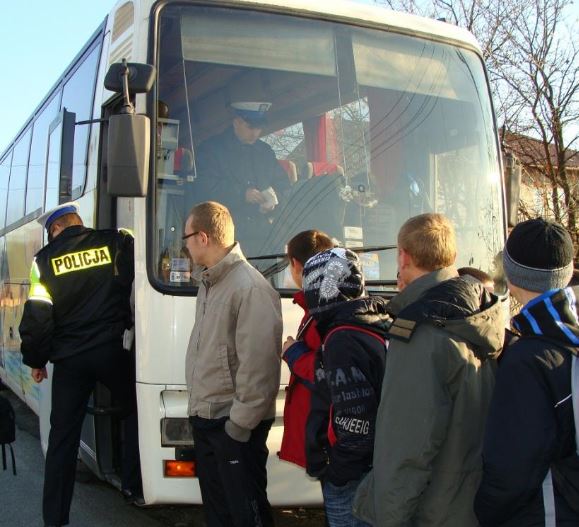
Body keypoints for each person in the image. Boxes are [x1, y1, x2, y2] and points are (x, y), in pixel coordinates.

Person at [353, 212, 504, 527]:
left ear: (403, 257)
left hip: (432, 509)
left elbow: (407, 445)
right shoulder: (477, 311)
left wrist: (387, 518)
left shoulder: (422, 331)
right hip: (468, 501)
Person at [18, 202, 142, 527]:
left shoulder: (43, 261)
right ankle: (133, 484)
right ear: (78, 221)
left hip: (70, 360)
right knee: (136, 409)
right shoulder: (116, 240)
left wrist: (36, 360)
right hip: (111, 351)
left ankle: (55, 519)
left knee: (62, 439)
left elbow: (38, 319)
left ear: (56, 229)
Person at [183, 201, 282, 527]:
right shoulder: (210, 281)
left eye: (186, 237)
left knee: (246, 515)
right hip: (209, 419)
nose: (184, 246)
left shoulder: (249, 287)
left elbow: (260, 368)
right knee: (219, 514)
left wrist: (237, 427)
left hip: (234, 426)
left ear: (203, 238)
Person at [475, 218, 579, 526]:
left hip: (545, 513)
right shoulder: (568, 339)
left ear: (511, 275)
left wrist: (484, 510)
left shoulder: (528, 359)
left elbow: (512, 468)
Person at [301, 248, 391, 527]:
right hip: (371, 467)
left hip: (351, 477)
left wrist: (336, 474)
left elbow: (356, 422)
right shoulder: (371, 321)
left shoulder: (343, 338)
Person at [192, 101, 291, 255]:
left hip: (263, 239)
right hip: (224, 236)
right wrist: (241, 194)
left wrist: (273, 200)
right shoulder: (211, 149)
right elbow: (203, 187)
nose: (255, 133)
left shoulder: (265, 152)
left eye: (259, 128)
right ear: (236, 122)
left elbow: (284, 186)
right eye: (251, 127)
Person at [279, 229, 335, 469]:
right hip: (324, 430)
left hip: (325, 434)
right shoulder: (321, 303)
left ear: (295, 264)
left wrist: (294, 353)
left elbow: (330, 373)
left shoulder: (324, 311)